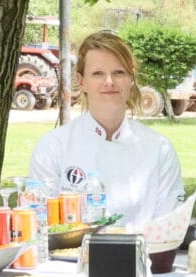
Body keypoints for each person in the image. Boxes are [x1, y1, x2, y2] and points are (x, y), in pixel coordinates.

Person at [23, 30, 185, 227]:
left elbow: (168, 227)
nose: (109, 82)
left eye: (119, 72)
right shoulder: (53, 146)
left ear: (131, 79)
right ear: (81, 81)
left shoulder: (159, 149)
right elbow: (40, 225)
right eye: (98, 73)